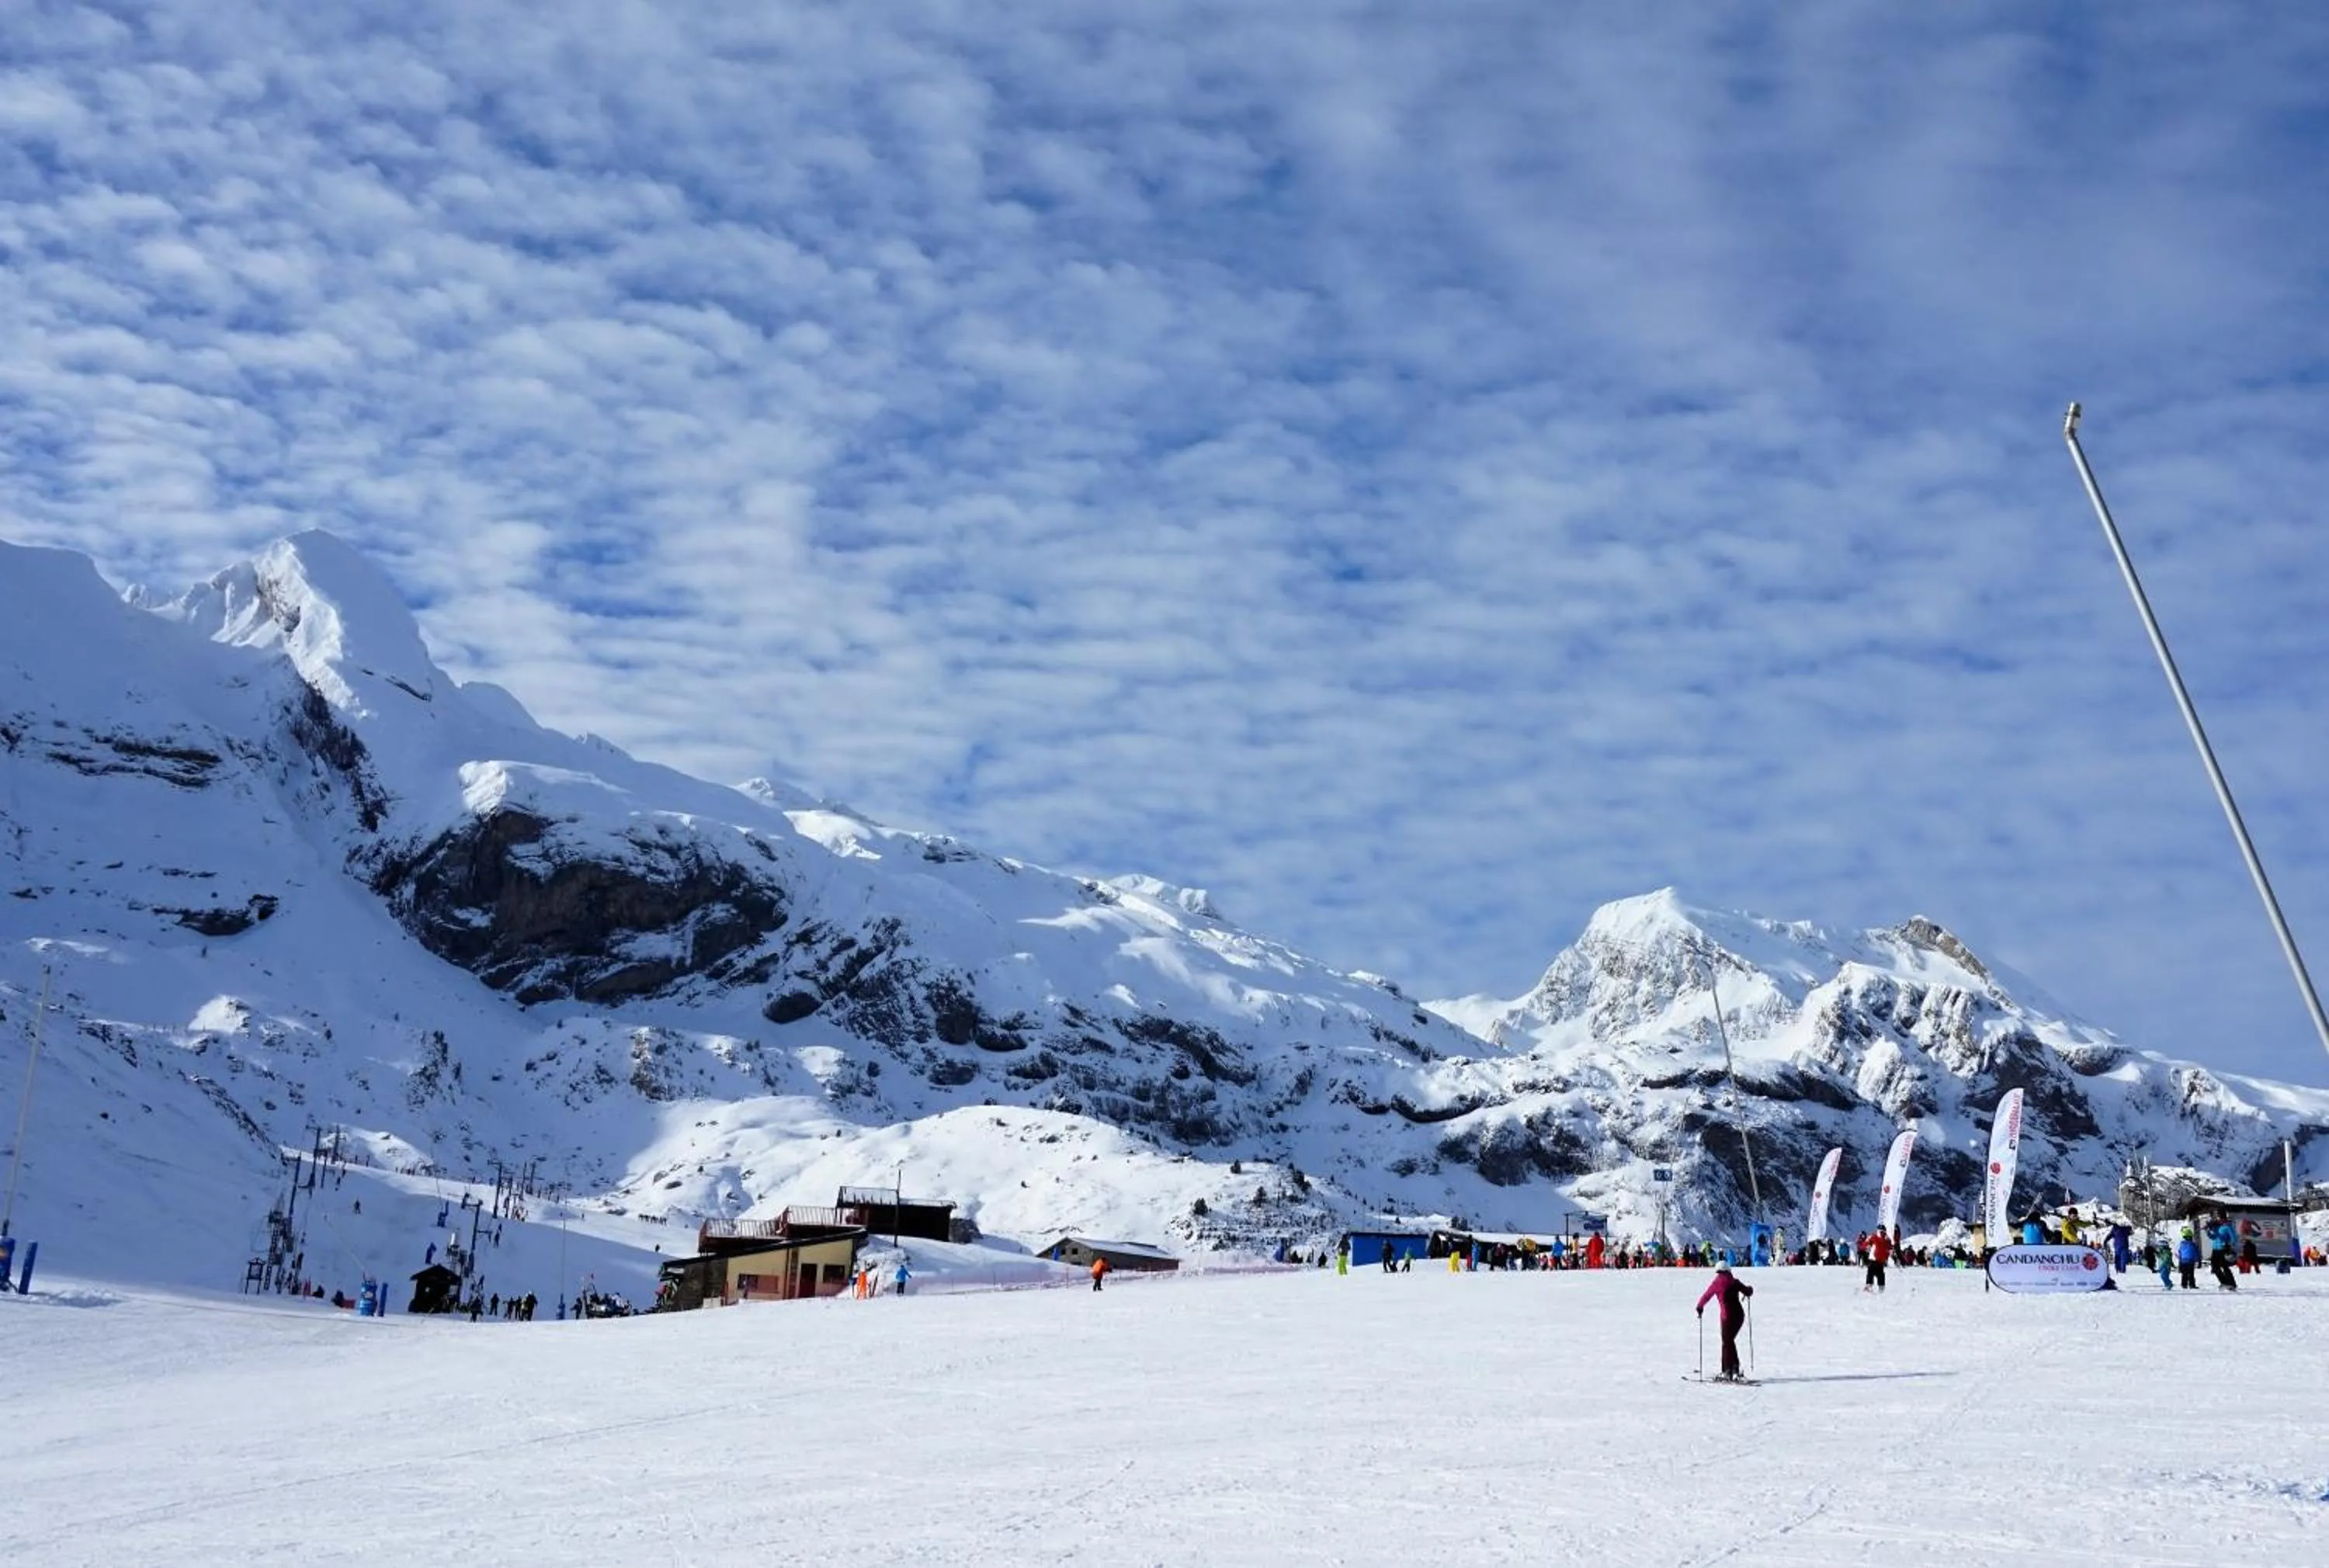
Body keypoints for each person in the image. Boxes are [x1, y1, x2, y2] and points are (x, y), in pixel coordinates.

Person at [1696, 1262, 1755, 1382]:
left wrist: (1700, 1307)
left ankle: (1728, 1371)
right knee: (1729, 1341)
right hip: (1739, 1316)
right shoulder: (1734, 1281)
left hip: (1727, 1317)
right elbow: (1748, 1291)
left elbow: (1707, 1296)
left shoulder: (1717, 1283)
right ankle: (1734, 1369)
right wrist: (1750, 1289)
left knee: (1727, 1342)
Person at [1862, 1229, 1891, 1293]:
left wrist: (1867, 1246)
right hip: (1878, 1260)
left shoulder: (1877, 1237)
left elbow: (1890, 1249)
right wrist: (1867, 1246)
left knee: (1873, 1272)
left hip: (1876, 1259)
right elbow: (1866, 1244)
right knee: (1878, 1273)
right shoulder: (1877, 1237)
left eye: (1882, 1231)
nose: (1881, 1233)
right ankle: (1880, 1287)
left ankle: (1871, 1285)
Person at [2175, 1227, 2199, 1291]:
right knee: (2191, 1274)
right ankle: (2192, 1285)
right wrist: (2197, 1260)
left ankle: (2184, 1284)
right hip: (2191, 1261)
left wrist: (2180, 1259)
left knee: (2184, 1274)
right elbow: (2196, 1253)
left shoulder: (2182, 1244)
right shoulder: (2193, 1245)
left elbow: (2179, 1252)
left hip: (2183, 1261)